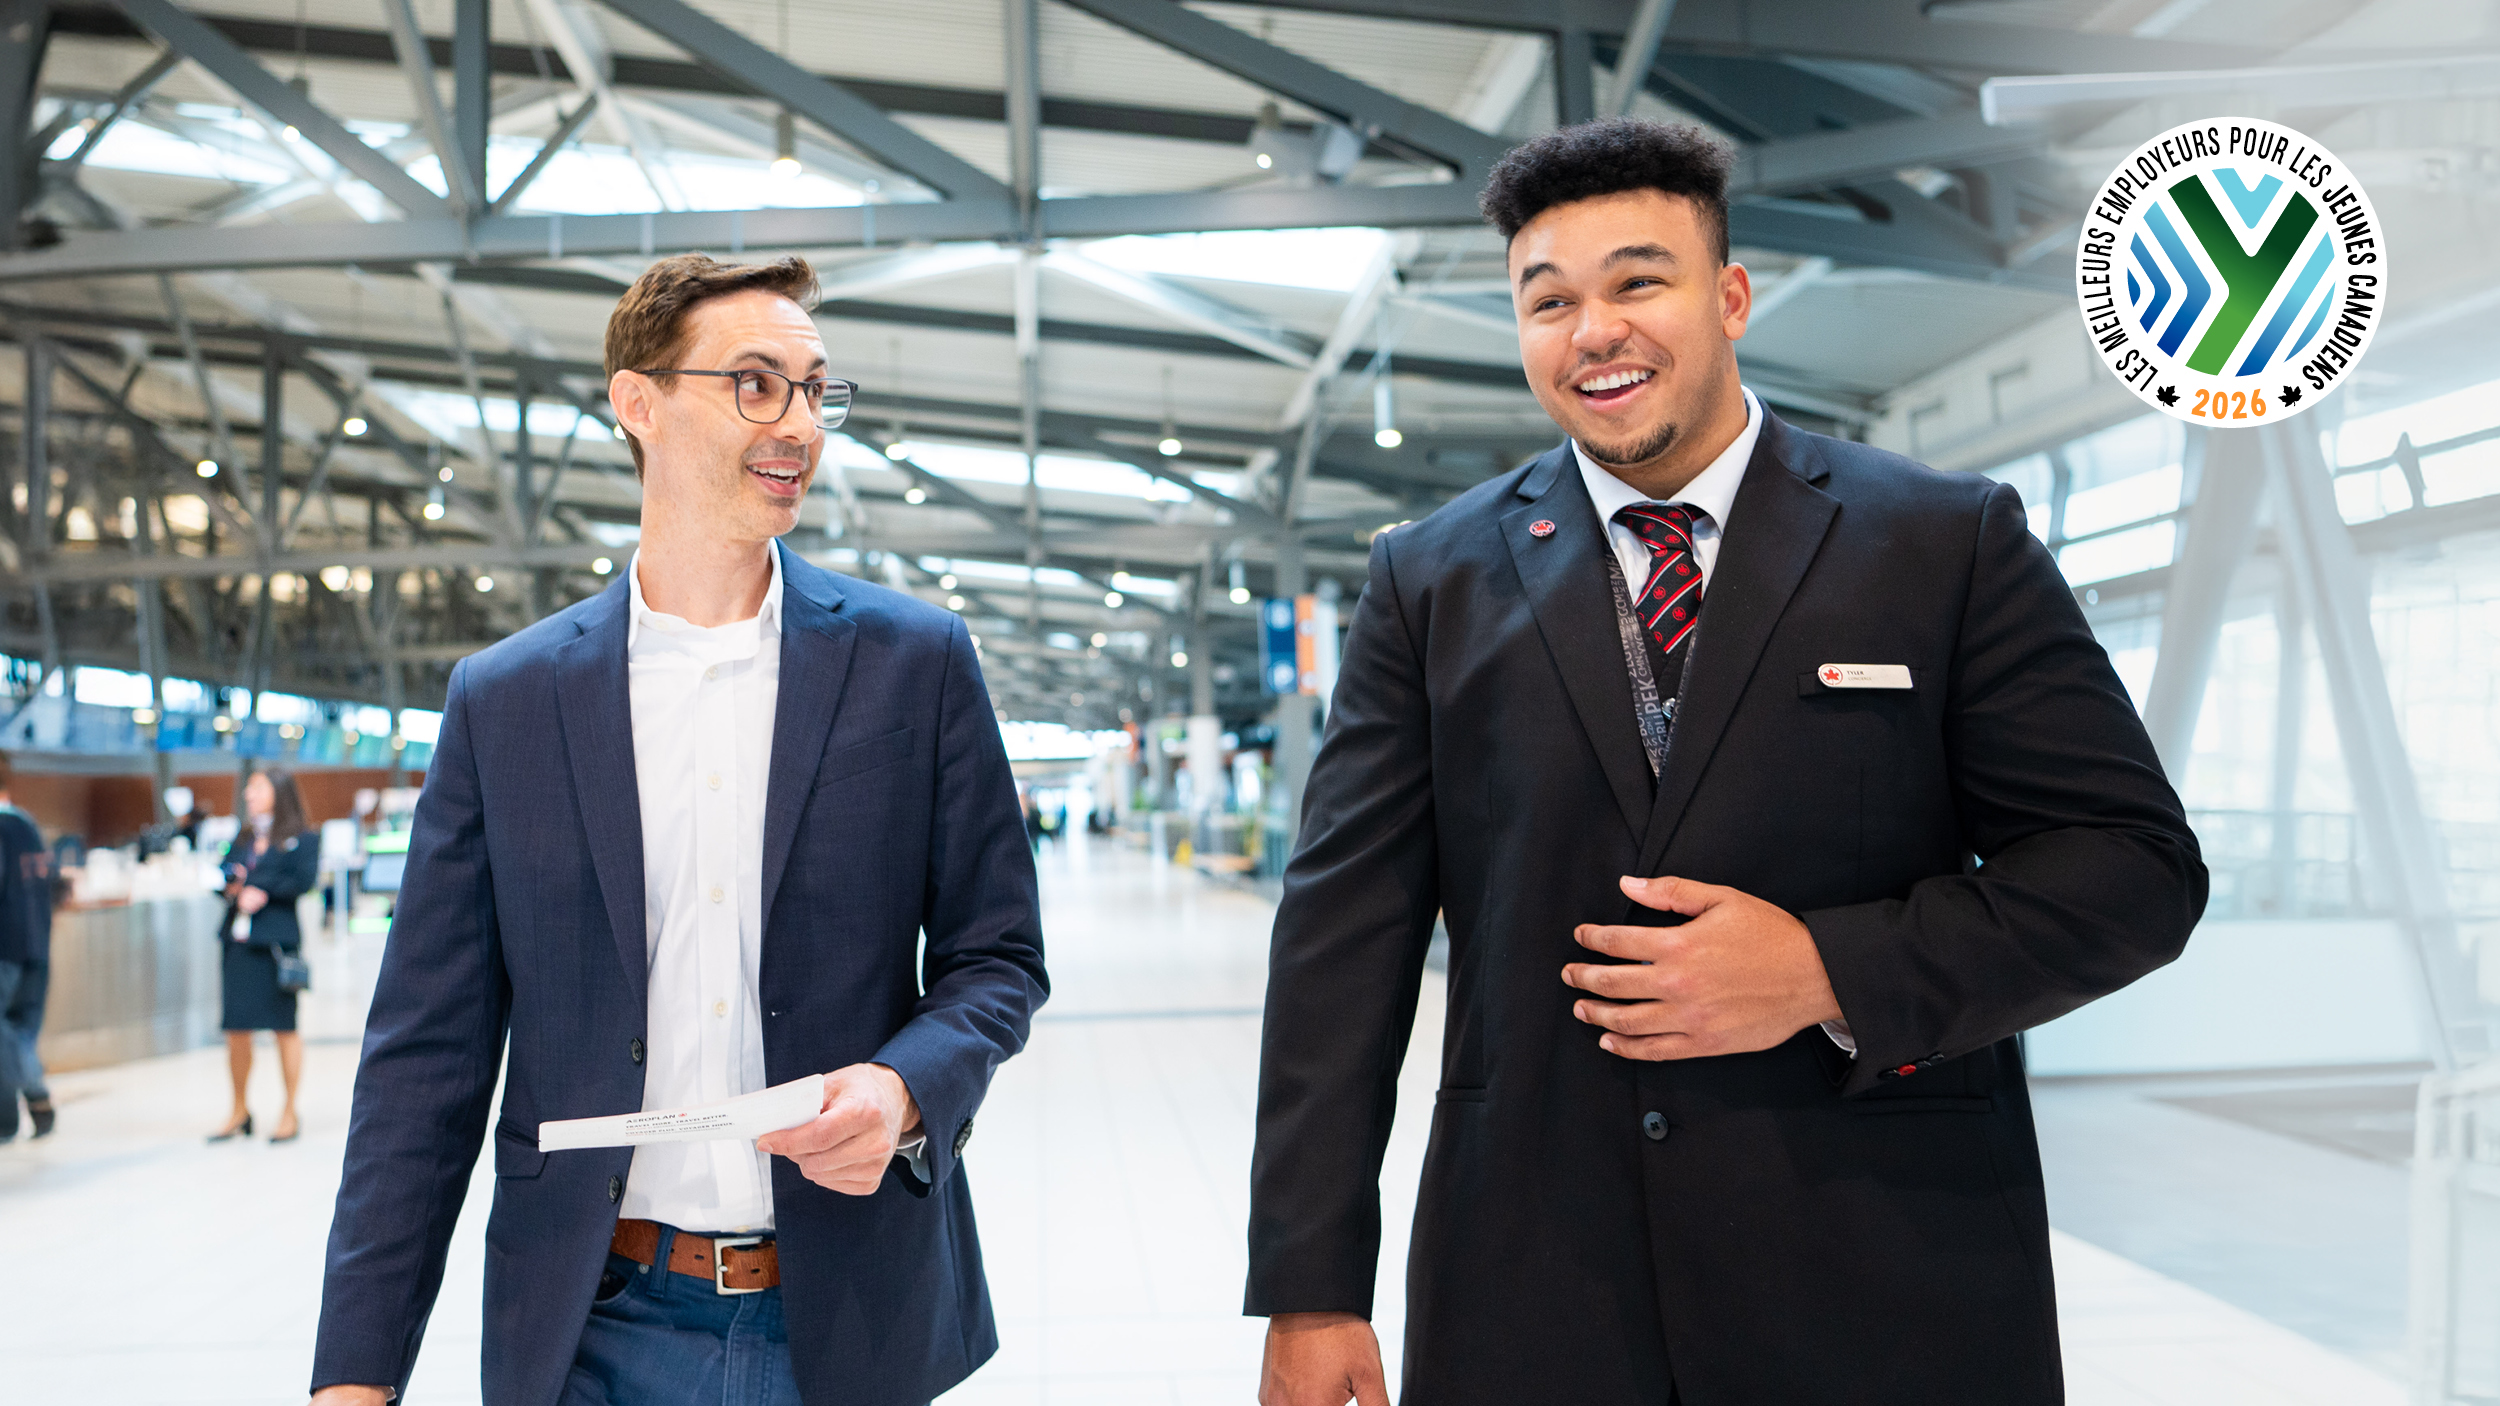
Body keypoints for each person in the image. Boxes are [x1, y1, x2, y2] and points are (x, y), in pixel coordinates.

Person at [1246, 119, 2208, 1406]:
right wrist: (1311, 1283)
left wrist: (1826, 968)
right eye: (1549, 301)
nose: (1594, 331)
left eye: (1638, 281)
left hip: (1882, 1264)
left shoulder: (1941, 542)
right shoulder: (1429, 581)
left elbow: (2133, 870)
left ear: (1731, 297)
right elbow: (1340, 940)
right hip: (1540, 1268)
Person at [311, 252, 1048, 1406]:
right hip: (593, 1324)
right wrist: (356, 1372)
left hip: (849, 1312)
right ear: (637, 402)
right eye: (756, 383)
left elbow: (997, 956)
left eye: (815, 389)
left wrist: (904, 1087)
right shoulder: (507, 702)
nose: (797, 422)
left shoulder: (914, 663)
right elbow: (426, 1057)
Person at [212, 767, 319, 1145]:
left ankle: (289, 1110)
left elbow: (303, 880)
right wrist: (232, 888)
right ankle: (239, 1109)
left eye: (257, 787)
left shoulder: (303, 838)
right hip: (238, 943)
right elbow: (221, 875)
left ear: (278, 791)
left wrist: (260, 889)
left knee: (284, 1027)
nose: (249, 794)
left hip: (275, 945)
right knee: (236, 1029)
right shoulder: (243, 836)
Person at [0, 751, 56, 1142]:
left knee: (7, 1034)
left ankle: (26, 1102)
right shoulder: (28, 825)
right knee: (19, 1030)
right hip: (37, 944)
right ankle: (31, 1106)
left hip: (5, 947)